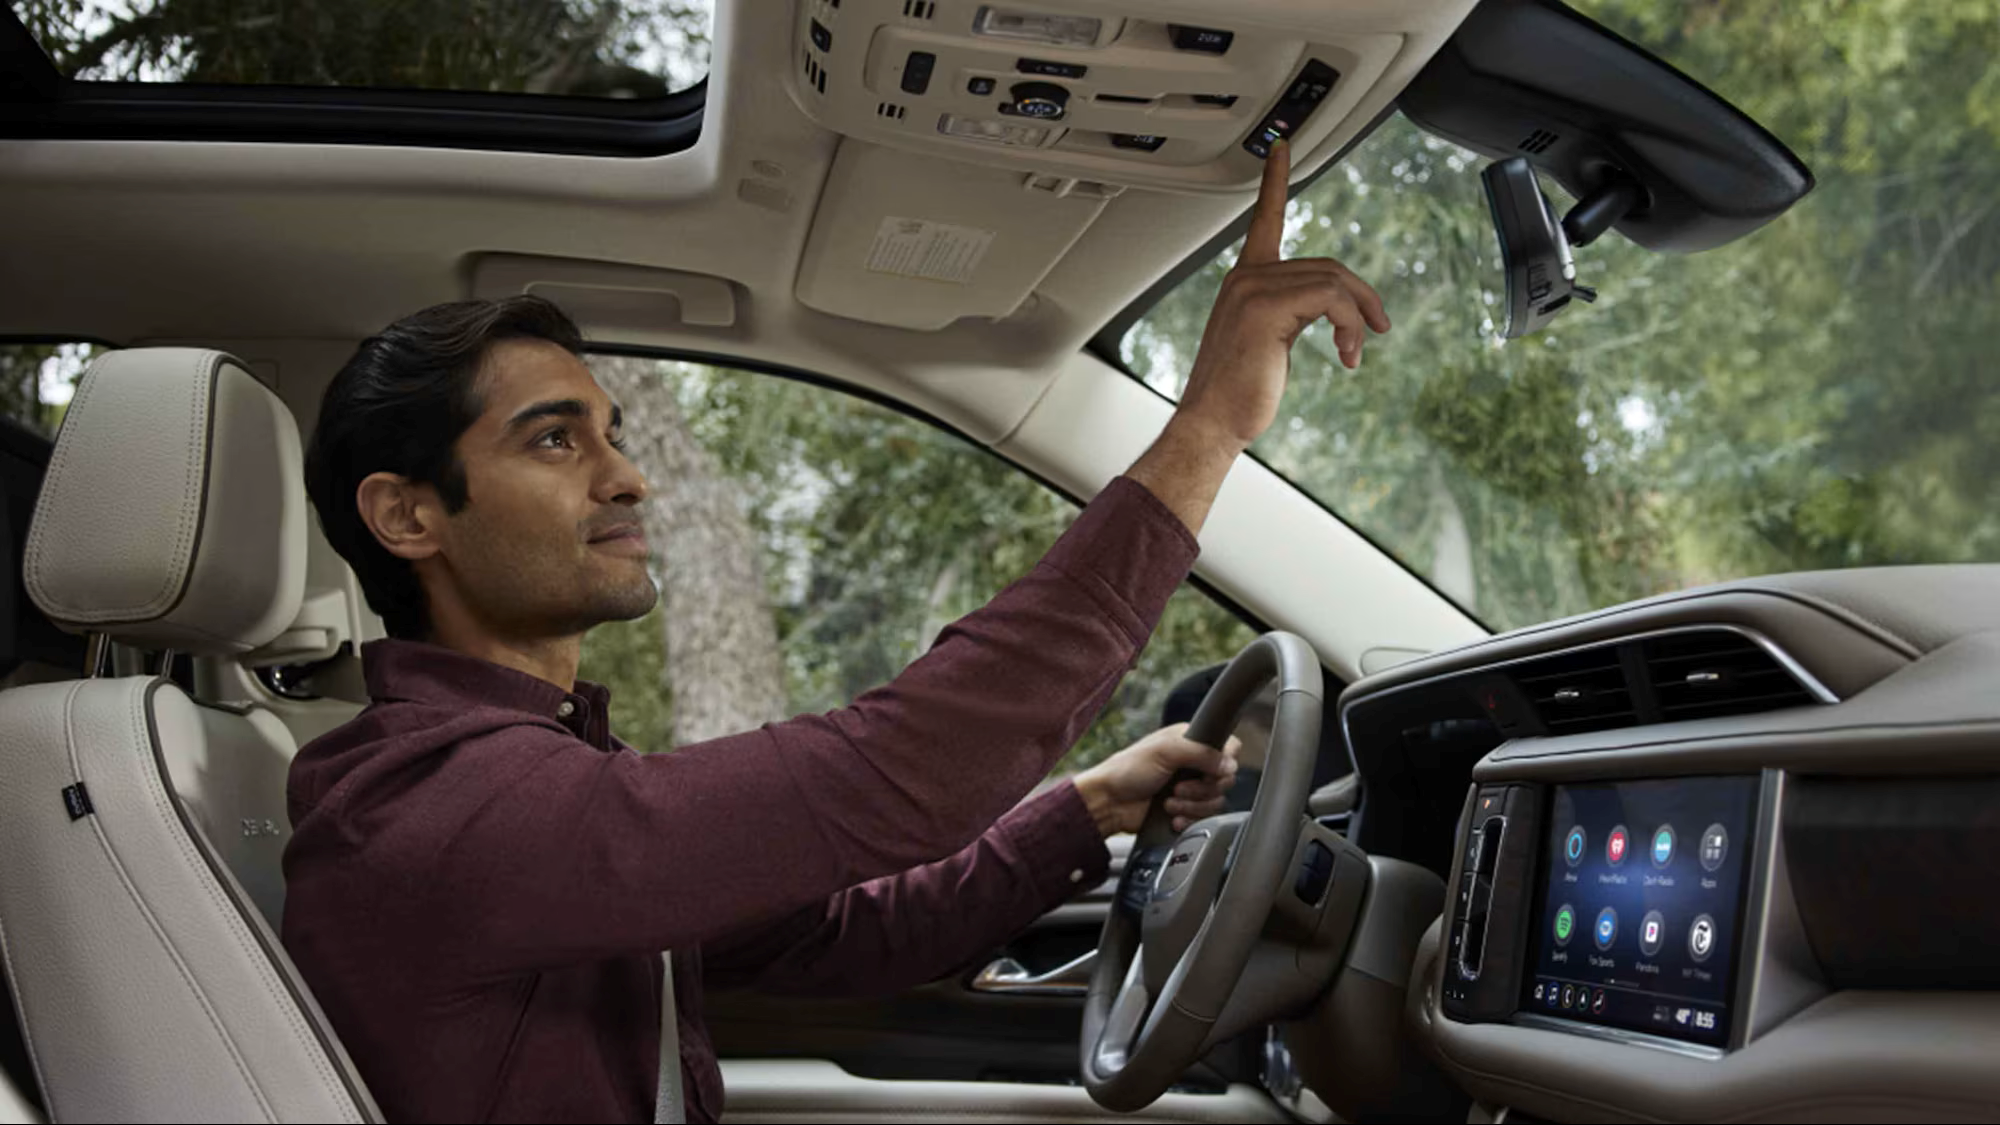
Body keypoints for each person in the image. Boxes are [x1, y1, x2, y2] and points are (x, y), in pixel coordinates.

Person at [282, 140, 1389, 1123]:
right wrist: (1207, 427)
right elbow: (902, 767)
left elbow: (843, 937)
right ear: (408, 515)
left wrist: (1087, 810)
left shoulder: (533, 783)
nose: (629, 476)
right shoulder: (427, 808)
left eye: (611, 433)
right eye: (554, 442)